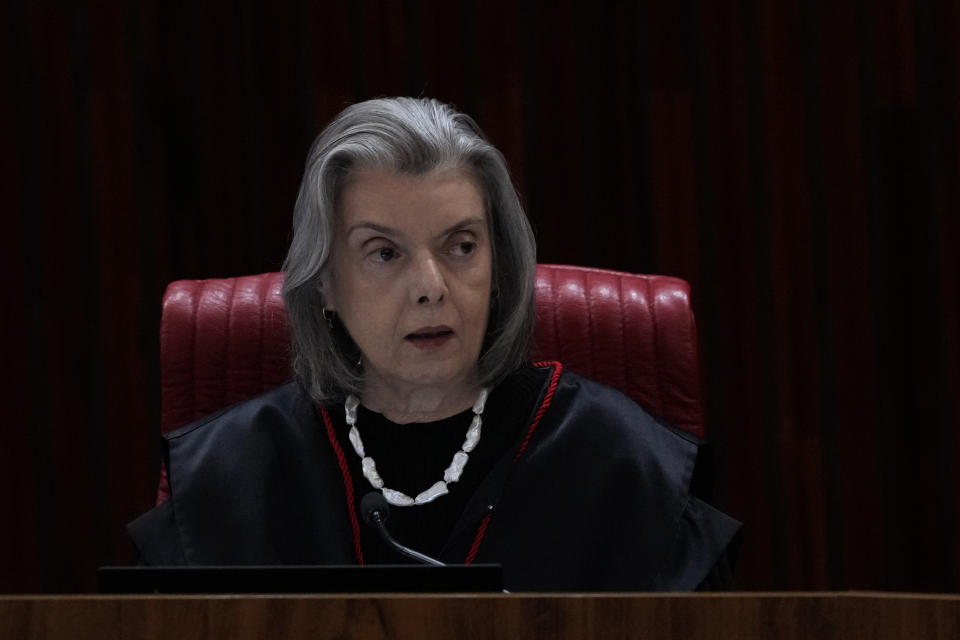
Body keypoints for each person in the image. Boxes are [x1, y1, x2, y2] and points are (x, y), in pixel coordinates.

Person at [128, 97, 740, 591]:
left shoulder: (626, 465)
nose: (430, 287)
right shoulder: (227, 477)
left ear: (499, 267)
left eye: (461, 246)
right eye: (384, 253)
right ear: (324, 285)